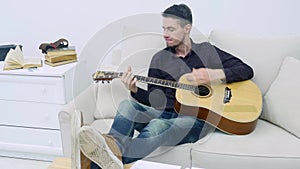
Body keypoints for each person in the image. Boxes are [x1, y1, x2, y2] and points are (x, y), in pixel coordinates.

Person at [78, 3, 254, 169]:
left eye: (171, 29)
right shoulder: (159, 59)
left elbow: (246, 70)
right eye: (164, 28)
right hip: (164, 113)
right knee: (127, 106)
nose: (165, 34)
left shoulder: (206, 51)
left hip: (194, 120)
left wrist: (213, 75)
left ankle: (96, 159)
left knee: (156, 126)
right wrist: (134, 89)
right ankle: (110, 150)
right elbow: (155, 102)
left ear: (187, 28)